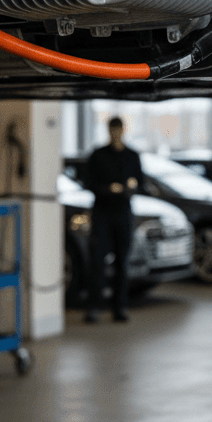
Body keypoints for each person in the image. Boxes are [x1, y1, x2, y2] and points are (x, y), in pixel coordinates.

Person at [83, 116, 143, 323]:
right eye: (112, 130)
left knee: (122, 264)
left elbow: (140, 183)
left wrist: (130, 188)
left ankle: (120, 308)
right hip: (102, 214)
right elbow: (88, 183)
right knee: (97, 262)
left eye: (118, 130)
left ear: (123, 130)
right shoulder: (98, 155)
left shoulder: (132, 156)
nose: (115, 134)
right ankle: (94, 307)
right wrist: (108, 189)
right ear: (109, 131)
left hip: (123, 214)